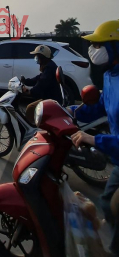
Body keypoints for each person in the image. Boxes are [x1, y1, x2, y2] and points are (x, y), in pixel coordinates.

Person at [71, 20, 119, 255]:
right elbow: (99, 106)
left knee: (116, 205)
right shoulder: (110, 76)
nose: (94, 50)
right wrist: (71, 111)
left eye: (99, 45)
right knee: (106, 203)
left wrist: (93, 139)